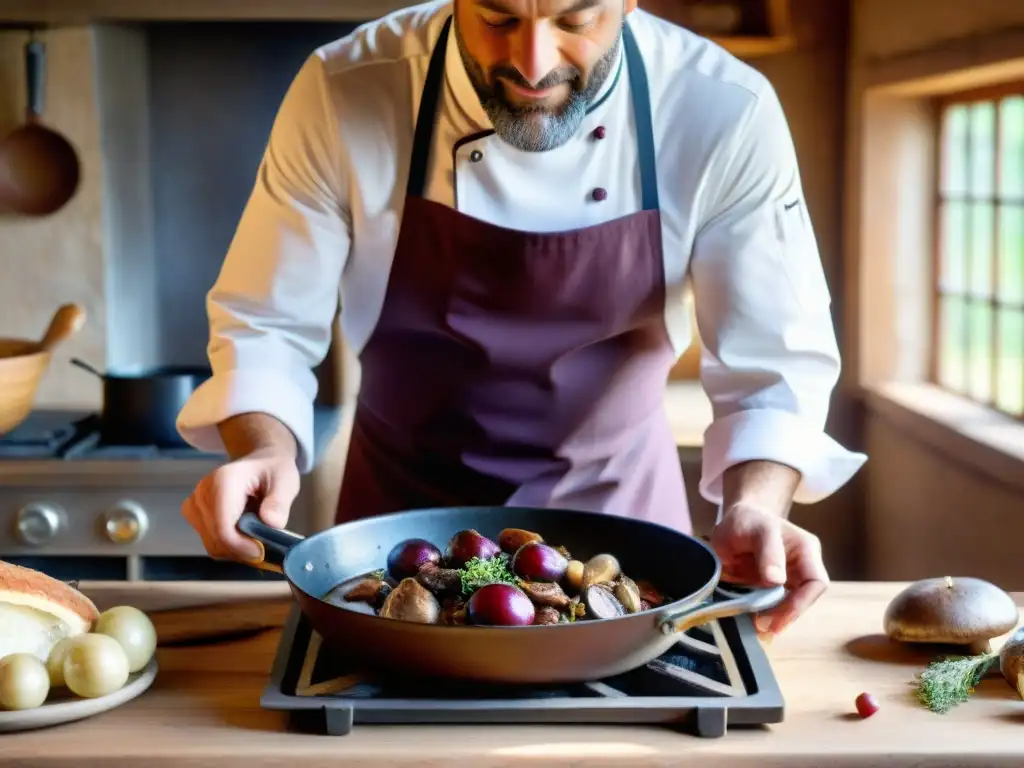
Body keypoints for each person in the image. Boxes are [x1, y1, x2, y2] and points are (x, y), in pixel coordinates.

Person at [176, 0, 867, 638]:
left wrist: (757, 506)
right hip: (395, 545)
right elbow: (264, 322)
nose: (533, 62)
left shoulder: (720, 108)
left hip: (621, 550)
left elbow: (773, 363)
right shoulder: (346, 87)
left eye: (575, 18)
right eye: (498, 17)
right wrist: (263, 447)